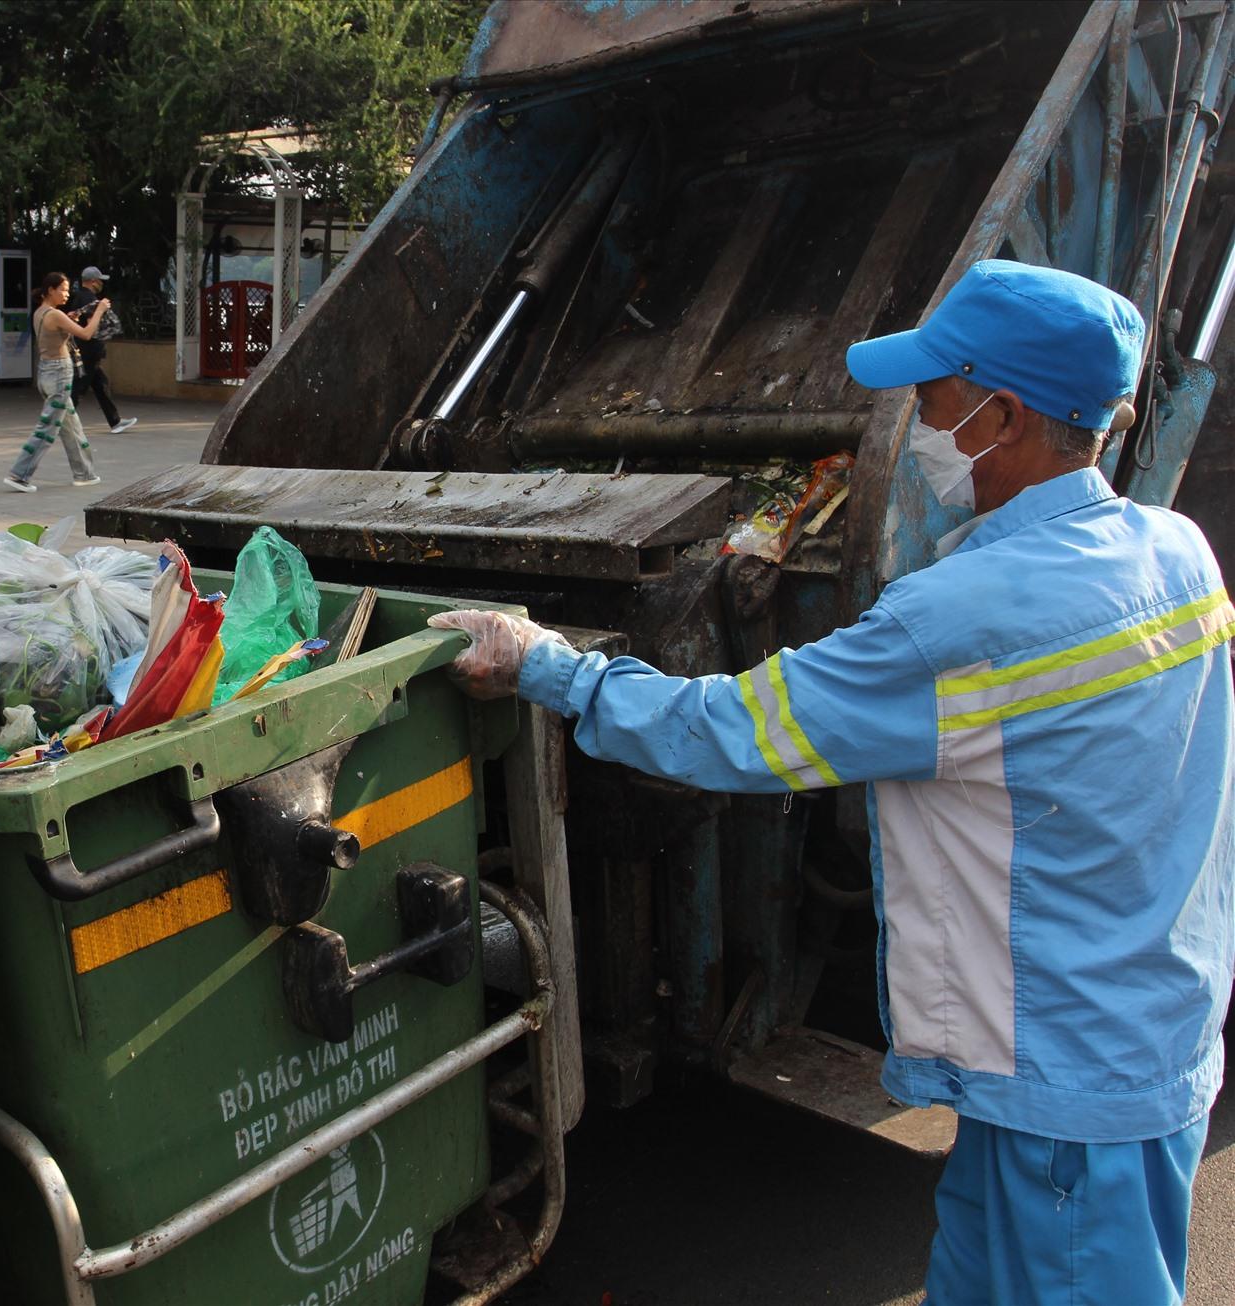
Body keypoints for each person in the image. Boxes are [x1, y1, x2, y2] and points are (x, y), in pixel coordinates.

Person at [432, 260, 1231, 1303]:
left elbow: (728, 731)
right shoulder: (1178, 552)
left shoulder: (966, 617)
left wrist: (547, 665)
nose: (918, 415)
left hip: (1060, 1091)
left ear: (1005, 415)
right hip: (1138, 1033)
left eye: (937, 394)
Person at [6, 271, 106, 493]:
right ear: (50, 290)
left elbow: (55, 336)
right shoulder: (54, 314)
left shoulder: (42, 313)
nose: (66, 294)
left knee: (71, 426)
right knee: (48, 427)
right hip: (59, 375)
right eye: (63, 289)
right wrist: (99, 311)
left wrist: (68, 320)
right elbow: (87, 334)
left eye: (68, 290)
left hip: (46, 372)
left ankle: (85, 474)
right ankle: (19, 474)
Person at [67, 265, 137, 435]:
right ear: (92, 281)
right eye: (99, 280)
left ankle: (115, 422)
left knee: (100, 384)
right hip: (89, 349)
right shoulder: (89, 298)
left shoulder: (80, 296)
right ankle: (61, 420)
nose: (101, 284)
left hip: (86, 348)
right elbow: (93, 324)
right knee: (79, 387)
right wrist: (102, 311)